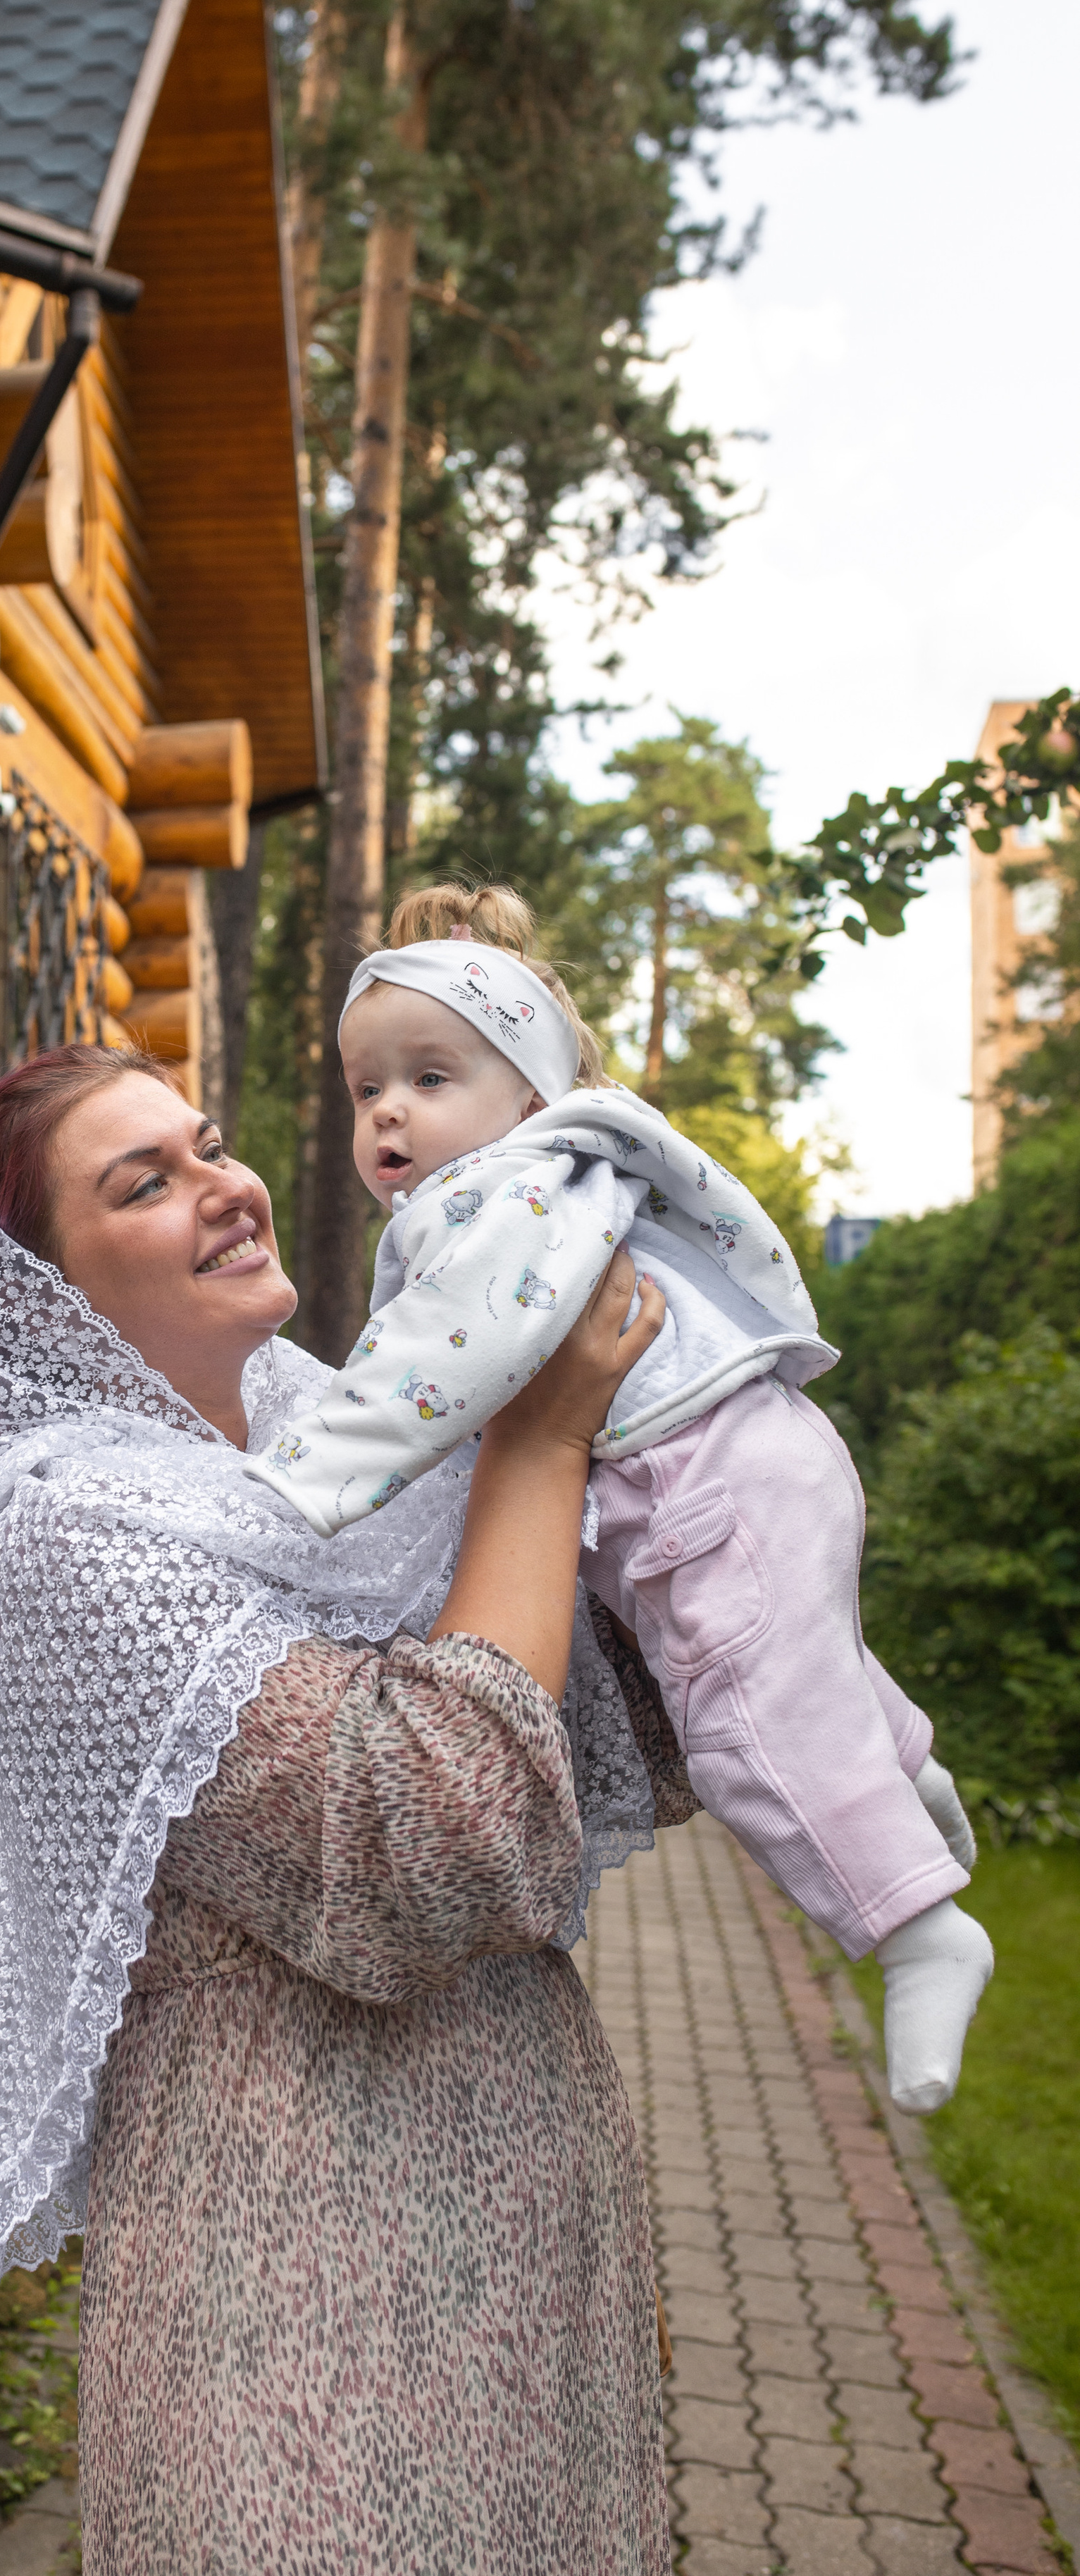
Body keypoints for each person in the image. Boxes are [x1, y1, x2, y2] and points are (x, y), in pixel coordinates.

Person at [0, 1041, 700, 2576]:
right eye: (146, 1182)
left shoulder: (354, 1442)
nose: (225, 1185)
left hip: (524, 2203)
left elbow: (607, 1736)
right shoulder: (66, 1542)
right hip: (298, 2263)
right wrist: (538, 1439)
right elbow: (432, 1836)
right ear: (55, 1299)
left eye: (208, 1143)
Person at [252, 880, 990, 2116]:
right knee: (799, 1663)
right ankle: (901, 1775)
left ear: (529, 1097)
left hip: (705, 1474)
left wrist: (303, 1484)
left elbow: (437, 1363)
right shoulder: (532, 1186)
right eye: (368, 1087)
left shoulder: (514, 1198)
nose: (389, 1111)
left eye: (432, 1079)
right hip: (742, 1459)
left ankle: (917, 1926)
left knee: (742, 1726)